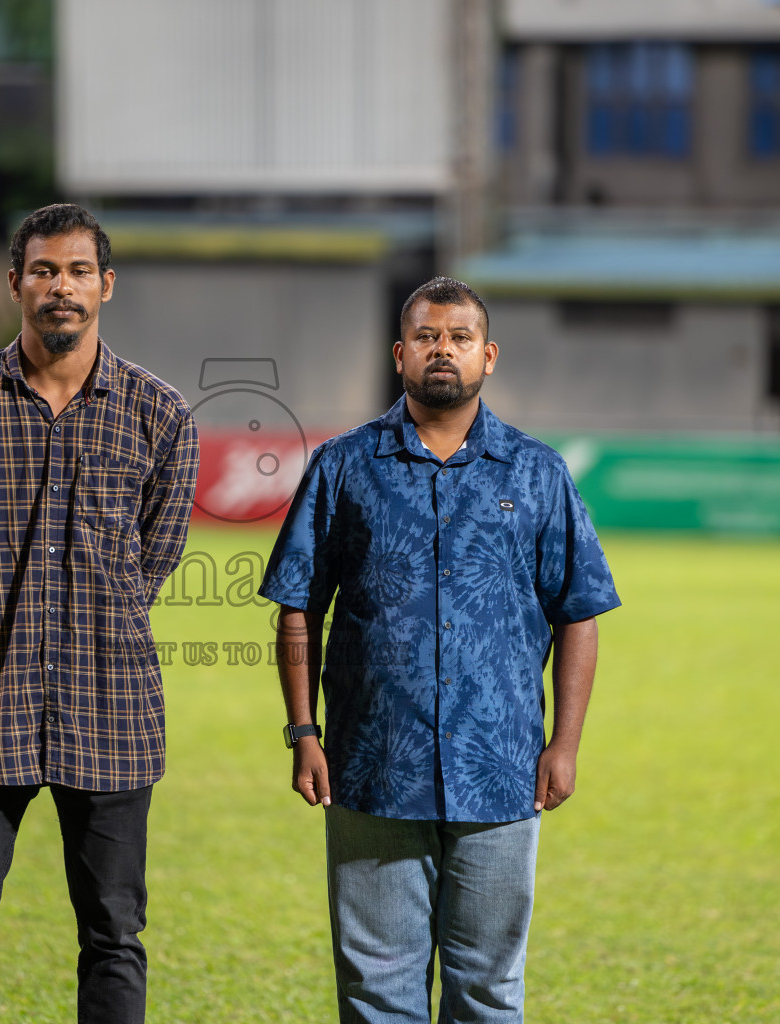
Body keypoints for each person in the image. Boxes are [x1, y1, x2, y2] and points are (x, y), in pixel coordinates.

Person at [259, 277, 620, 1023]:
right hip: (372, 764)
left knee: (488, 990)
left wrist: (565, 743)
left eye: (458, 338)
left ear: (488, 356)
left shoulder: (538, 472)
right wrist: (303, 734)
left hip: (502, 769)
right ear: (400, 354)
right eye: (427, 337)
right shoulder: (342, 466)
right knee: (376, 991)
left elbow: (579, 612)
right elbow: (298, 605)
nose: (442, 350)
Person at [0, 203, 199, 1024]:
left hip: (111, 715)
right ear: (15, 284)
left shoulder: (160, 414)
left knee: (114, 936)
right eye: (43, 270)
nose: (59, 288)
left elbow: (155, 558)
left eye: (76, 271)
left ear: (106, 285)